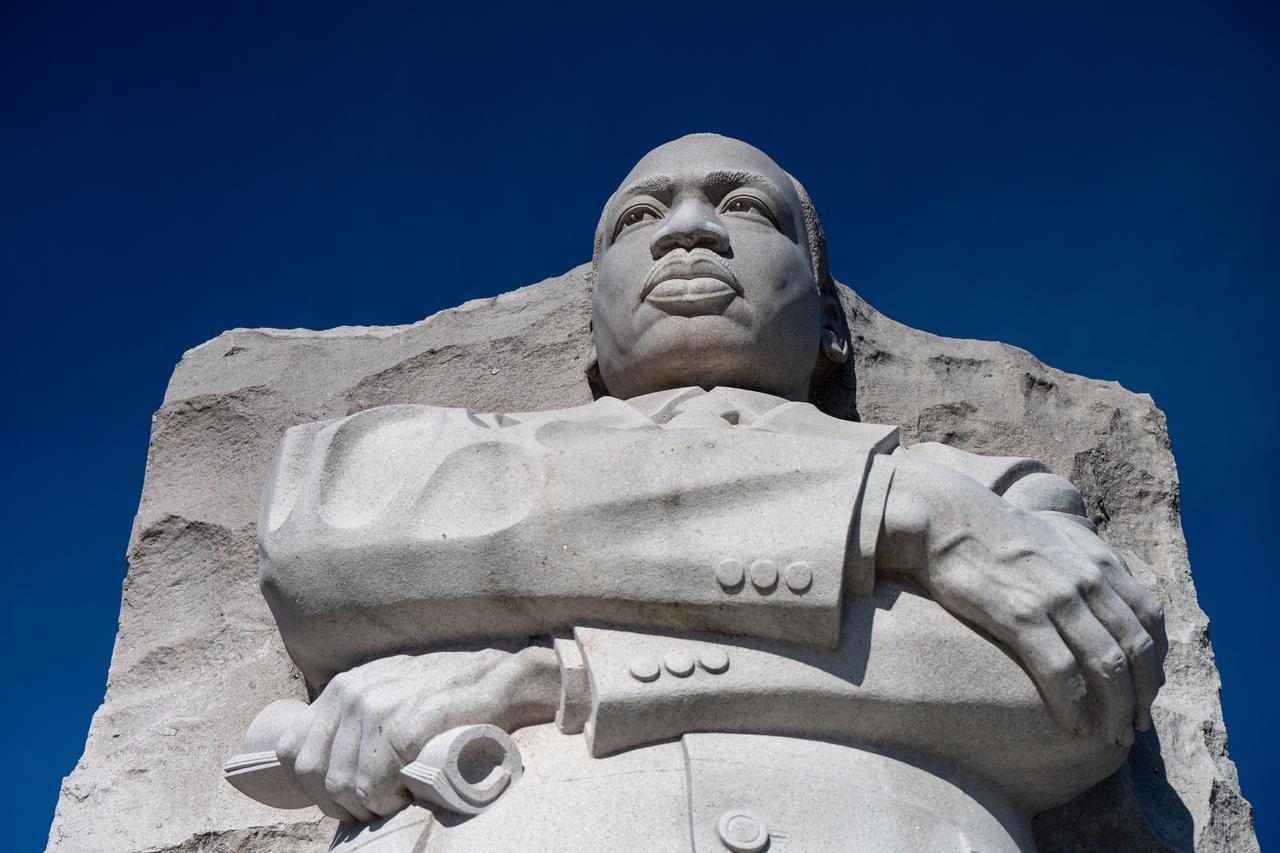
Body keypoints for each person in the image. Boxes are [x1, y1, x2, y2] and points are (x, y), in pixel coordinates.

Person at [250, 134, 1166, 850]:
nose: (686, 229)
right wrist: (894, 514)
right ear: (589, 338)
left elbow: (1074, 694)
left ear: (832, 328)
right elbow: (323, 548)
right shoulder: (423, 461)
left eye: (745, 207)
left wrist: (553, 673)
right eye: (638, 217)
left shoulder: (993, 486)